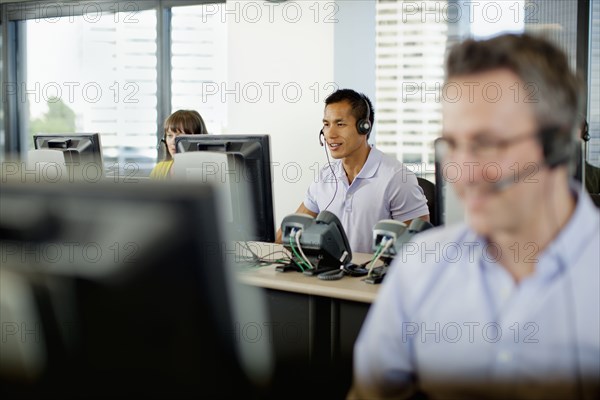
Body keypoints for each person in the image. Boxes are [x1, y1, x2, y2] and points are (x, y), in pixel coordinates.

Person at [350, 34, 600, 399]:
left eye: (486, 144)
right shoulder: (421, 265)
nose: (462, 174)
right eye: (452, 145)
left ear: (557, 145)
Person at [276, 89, 430, 253]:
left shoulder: (396, 177)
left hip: (374, 276)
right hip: (331, 275)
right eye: (326, 124)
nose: (330, 134)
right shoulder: (324, 177)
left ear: (364, 127)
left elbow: (420, 246)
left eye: (340, 124)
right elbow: (285, 236)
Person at [150, 109, 207, 179]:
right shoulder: (159, 170)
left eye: (180, 136)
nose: (173, 142)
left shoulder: (206, 172)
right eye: (170, 135)